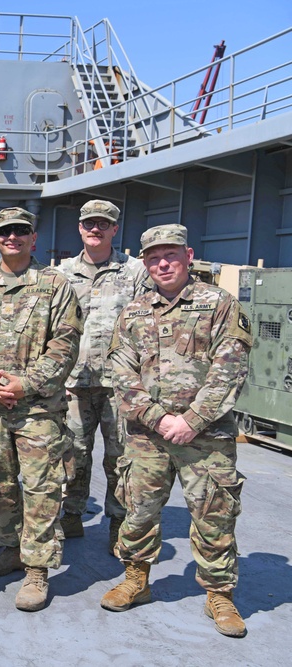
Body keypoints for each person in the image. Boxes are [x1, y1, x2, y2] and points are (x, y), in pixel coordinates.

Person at [102, 224, 251, 638]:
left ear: (188, 256)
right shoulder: (133, 311)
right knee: (138, 508)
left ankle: (219, 593)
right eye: (153, 257)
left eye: (170, 255)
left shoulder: (219, 303)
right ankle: (136, 578)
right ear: (145, 262)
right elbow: (120, 370)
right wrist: (157, 418)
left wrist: (192, 421)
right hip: (147, 435)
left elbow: (230, 367)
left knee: (213, 513)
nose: (162, 263)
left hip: (206, 437)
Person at [0, 207, 82, 612]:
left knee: (41, 489)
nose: (12, 237)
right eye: (5, 232)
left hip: (38, 409)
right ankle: (12, 548)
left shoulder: (56, 285)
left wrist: (25, 384)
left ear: (33, 237)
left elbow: (65, 345)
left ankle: (38, 569)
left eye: (21, 231)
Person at [56, 200, 148, 552]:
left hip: (119, 384)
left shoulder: (136, 272)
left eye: (103, 224)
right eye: (89, 223)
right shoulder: (62, 272)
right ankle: (71, 514)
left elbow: (146, 324)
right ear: (80, 228)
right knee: (73, 452)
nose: (96, 229)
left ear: (114, 229)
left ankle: (118, 521)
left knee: (120, 456)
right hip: (74, 381)